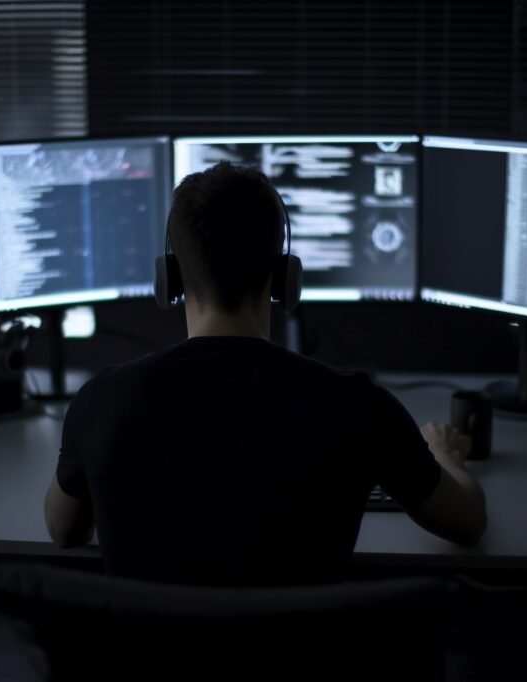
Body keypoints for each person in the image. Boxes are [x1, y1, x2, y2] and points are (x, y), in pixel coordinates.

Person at [44, 161, 486, 586]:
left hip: (151, 663)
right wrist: (443, 453)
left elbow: (64, 531)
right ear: (284, 277)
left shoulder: (102, 400)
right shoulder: (358, 406)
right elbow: (467, 523)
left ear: (171, 277)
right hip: (291, 662)